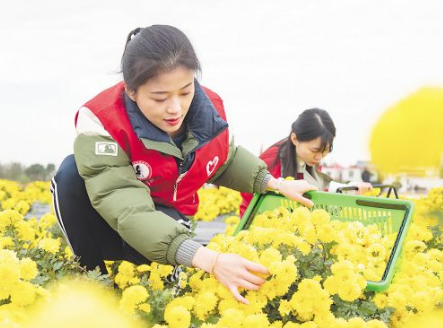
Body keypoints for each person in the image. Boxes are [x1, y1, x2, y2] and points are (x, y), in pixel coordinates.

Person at [51, 25, 317, 304]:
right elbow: (125, 206)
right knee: (69, 174)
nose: (175, 108)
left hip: (168, 216)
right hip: (109, 224)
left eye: (185, 92)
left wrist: (275, 184)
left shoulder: (207, 109)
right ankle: (95, 283)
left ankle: (167, 269)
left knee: (165, 277)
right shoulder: (102, 121)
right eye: (160, 97)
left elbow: (224, 158)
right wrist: (211, 261)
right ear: (131, 90)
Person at [240, 109, 373, 216]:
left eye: (325, 151)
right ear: (295, 139)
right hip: (259, 222)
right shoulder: (272, 160)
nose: (319, 157)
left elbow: (317, 189)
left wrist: (351, 188)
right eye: (315, 150)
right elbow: (250, 196)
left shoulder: (310, 161)